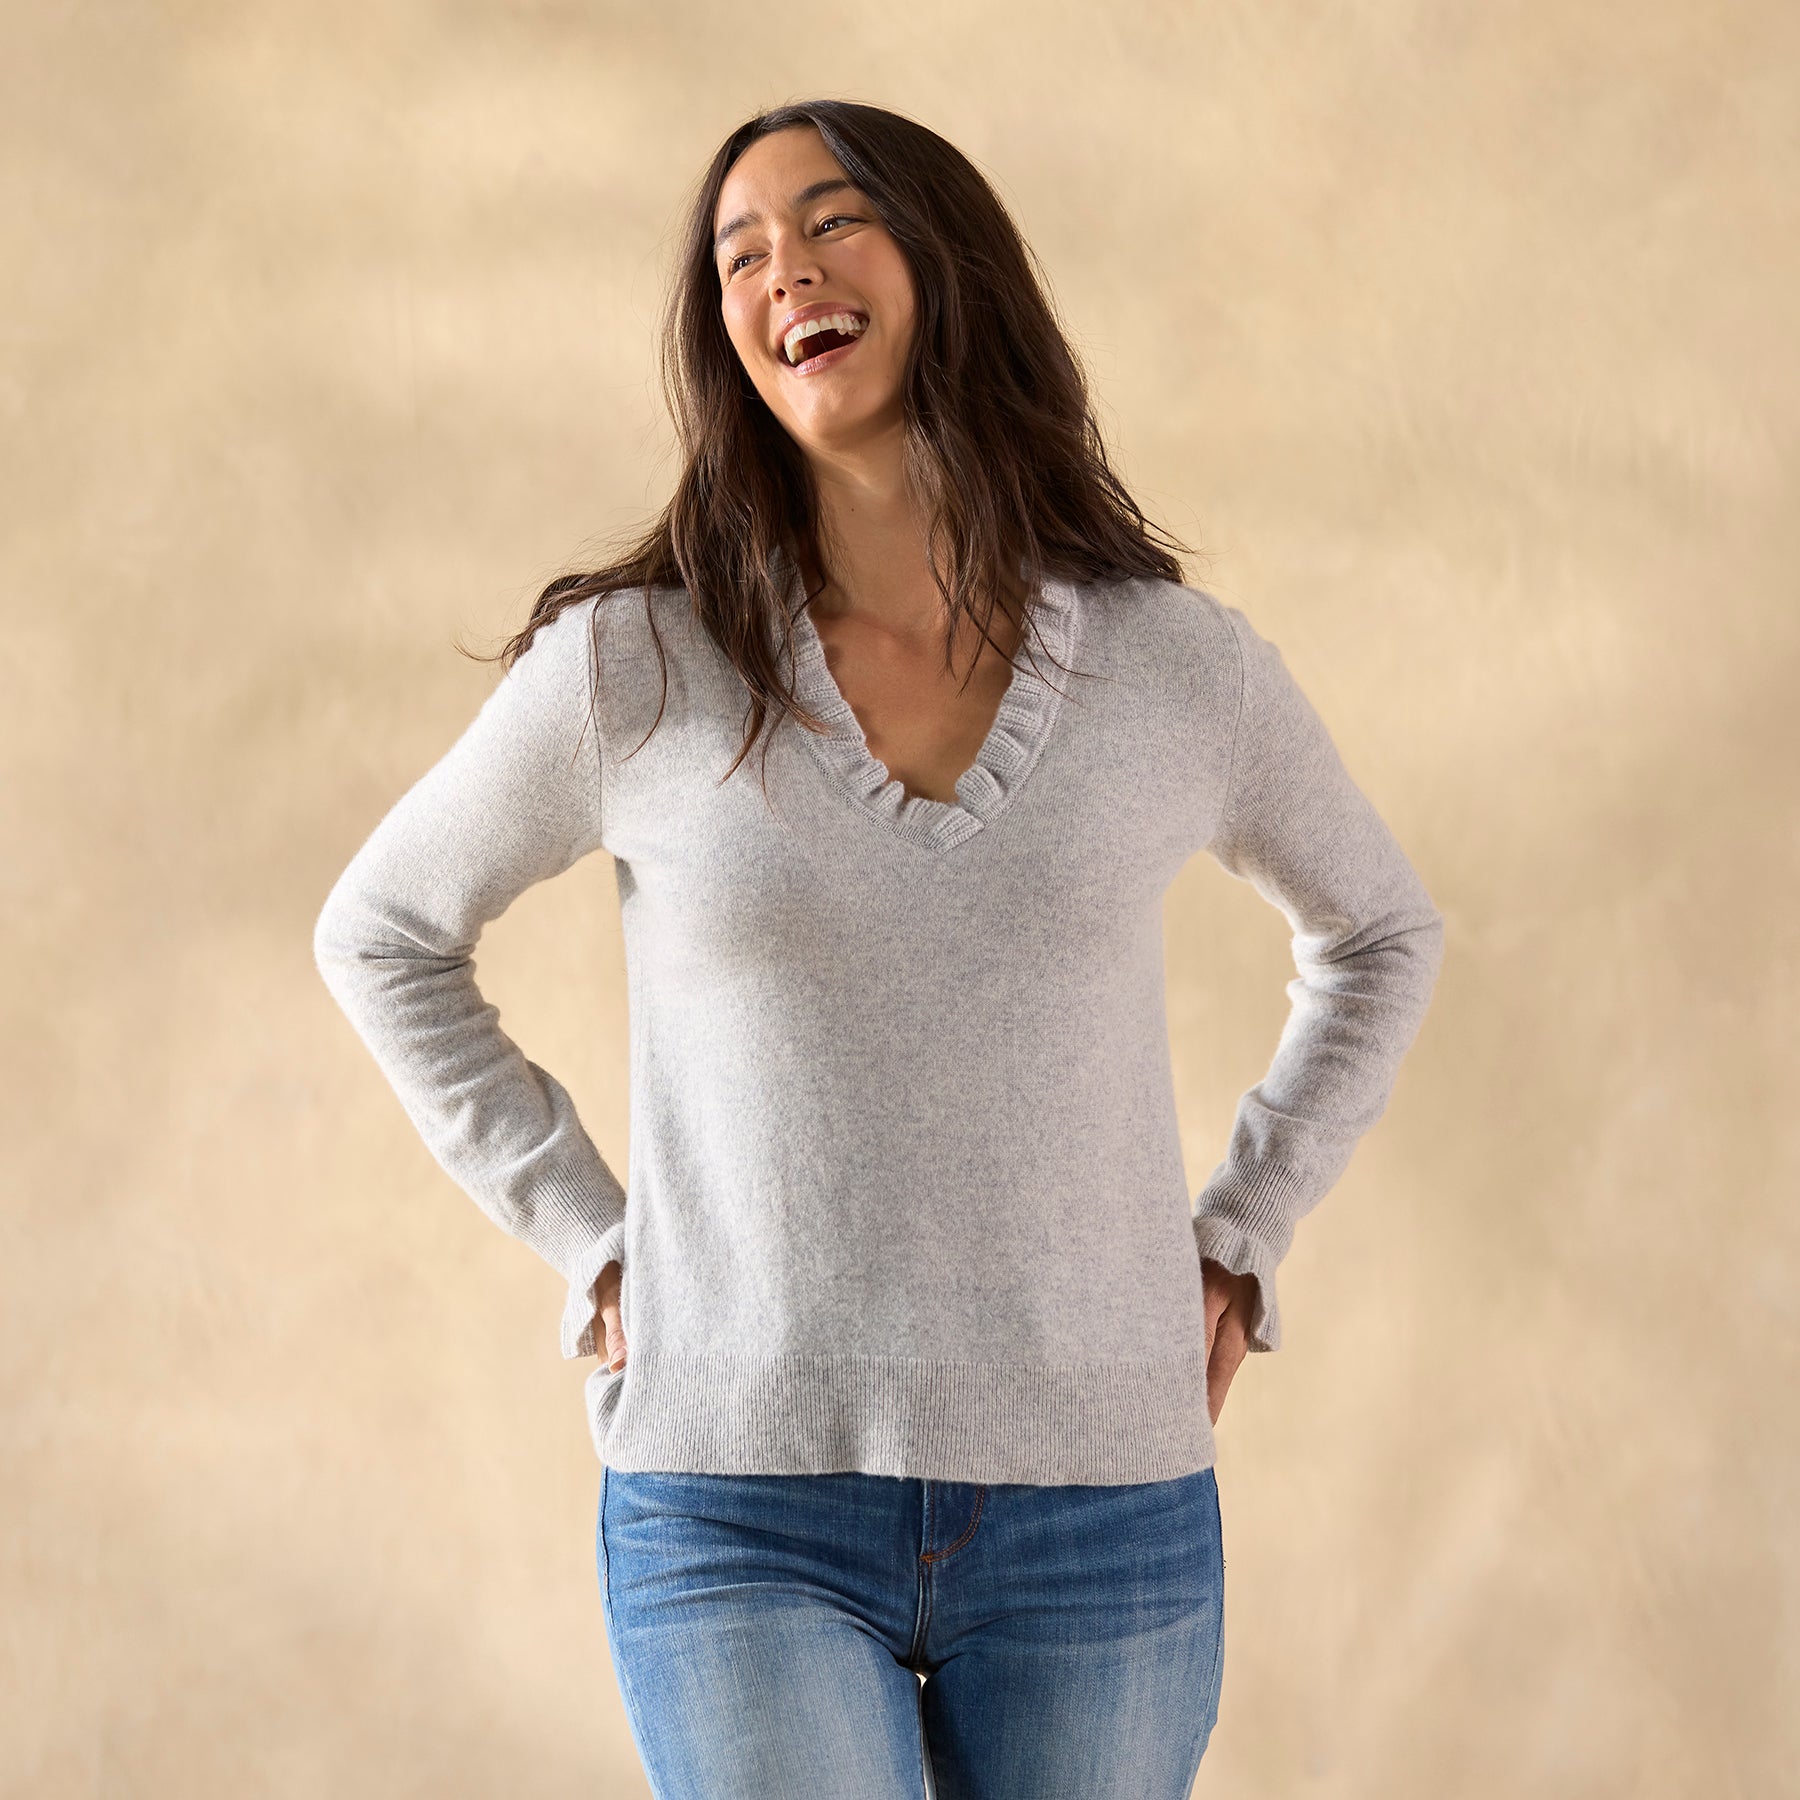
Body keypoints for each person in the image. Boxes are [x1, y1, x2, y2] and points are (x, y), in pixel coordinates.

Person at [314, 98, 1445, 1800]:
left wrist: (1246, 1230)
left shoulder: (1177, 669)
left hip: (1101, 1507)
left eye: (831, 221)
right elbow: (383, 933)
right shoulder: (636, 668)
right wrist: (596, 1243)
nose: (785, 271)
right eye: (740, 255)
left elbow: (1381, 930)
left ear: (943, 259)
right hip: (734, 1497)